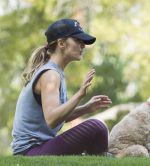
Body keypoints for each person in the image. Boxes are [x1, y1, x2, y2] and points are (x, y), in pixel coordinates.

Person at [11, 18, 112, 156]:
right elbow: (52, 119)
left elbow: (60, 116)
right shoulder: (50, 75)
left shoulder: (55, 72)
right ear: (61, 43)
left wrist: (87, 108)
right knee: (97, 127)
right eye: (78, 40)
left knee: (98, 129)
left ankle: (99, 159)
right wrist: (79, 95)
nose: (83, 46)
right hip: (31, 151)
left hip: (41, 147)